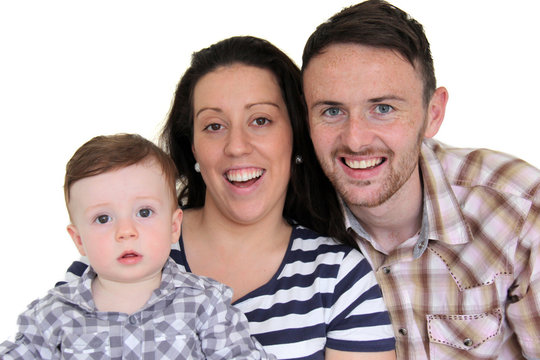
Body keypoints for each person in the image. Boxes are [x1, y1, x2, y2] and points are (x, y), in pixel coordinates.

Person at [62, 37, 395, 359]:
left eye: (260, 120)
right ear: (192, 146)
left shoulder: (338, 278)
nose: (237, 146)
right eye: (214, 126)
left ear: (295, 135)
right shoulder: (117, 253)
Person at [301, 0, 540, 359]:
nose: (355, 139)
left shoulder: (517, 208)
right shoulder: (290, 219)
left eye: (383, 108)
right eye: (332, 111)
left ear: (433, 113)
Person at [0, 133, 274, 359]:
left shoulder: (204, 305)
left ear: (173, 226)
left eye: (144, 212)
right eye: (103, 218)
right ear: (79, 240)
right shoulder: (54, 314)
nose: (126, 232)